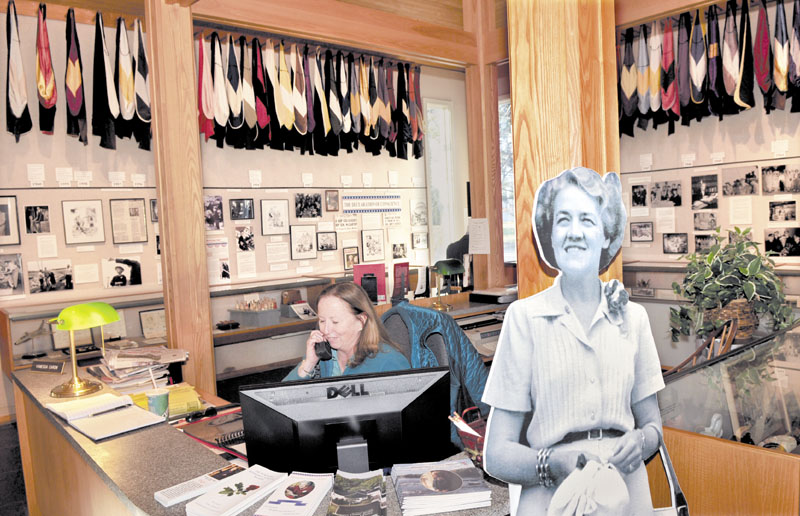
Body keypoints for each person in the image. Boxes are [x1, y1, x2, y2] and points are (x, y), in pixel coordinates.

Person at [482, 167, 664, 515]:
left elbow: (653, 426)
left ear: (607, 234)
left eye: (587, 220)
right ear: (549, 234)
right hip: (551, 499)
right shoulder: (524, 320)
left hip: (626, 497)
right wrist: (551, 463)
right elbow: (497, 455)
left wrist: (641, 440)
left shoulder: (634, 318)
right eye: (563, 220)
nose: (575, 233)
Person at [284, 282, 410, 381]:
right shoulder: (322, 353)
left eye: (335, 322)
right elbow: (280, 399)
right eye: (322, 321)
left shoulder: (388, 362)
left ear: (361, 321)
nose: (326, 330)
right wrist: (308, 365)